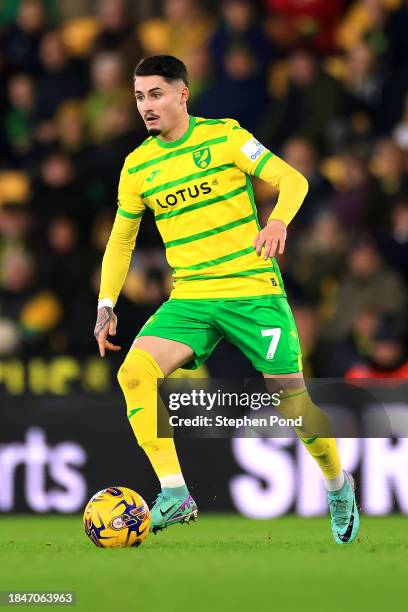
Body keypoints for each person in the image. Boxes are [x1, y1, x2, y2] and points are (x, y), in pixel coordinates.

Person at [94, 55, 359, 544]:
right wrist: (106, 303)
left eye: (155, 94)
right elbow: (120, 241)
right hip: (192, 296)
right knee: (135, 372)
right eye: (138, 97)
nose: (146, 106)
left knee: (295, 407)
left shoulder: (225, 135)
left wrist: (277, 220)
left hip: (251, 291)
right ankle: (176, 493)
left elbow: (293, 179)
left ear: (181, 94)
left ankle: (338, 484)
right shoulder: (137, 167)